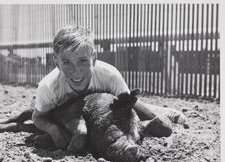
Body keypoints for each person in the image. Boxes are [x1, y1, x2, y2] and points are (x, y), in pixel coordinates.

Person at [32, 25, 185, 149]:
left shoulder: (109, 75)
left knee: (164, 127)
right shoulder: (48, 87)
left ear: (94, 58)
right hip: (70, 115)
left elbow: (125, 107)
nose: (76, 70)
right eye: (67, 63)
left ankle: (161, 110)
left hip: (106, 107)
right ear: (56, 62)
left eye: (83, 61)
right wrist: (54, 131)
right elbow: (37, 117)